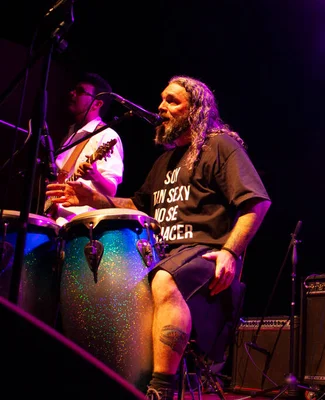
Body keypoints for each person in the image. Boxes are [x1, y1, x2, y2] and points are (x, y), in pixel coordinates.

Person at [46, 75, 271, 400]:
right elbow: (138, 205)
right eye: (162, 99)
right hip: (164, 254)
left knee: (164, 279)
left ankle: (161, 390)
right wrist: (91, 197)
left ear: (195, 110)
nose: (161, 107)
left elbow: (257, 202)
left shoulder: (220, 146)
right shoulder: (164, 161)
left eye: (172, 101)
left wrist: (230, 252)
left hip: (203, 253)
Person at [44, 72, 124, 226]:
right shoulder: (71, 136)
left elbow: (111, 191)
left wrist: (94, 175)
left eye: (80, 91)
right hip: (57, 224)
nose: (72, 93)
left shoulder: (106, 136)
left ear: (97, 104)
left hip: (81, 227)